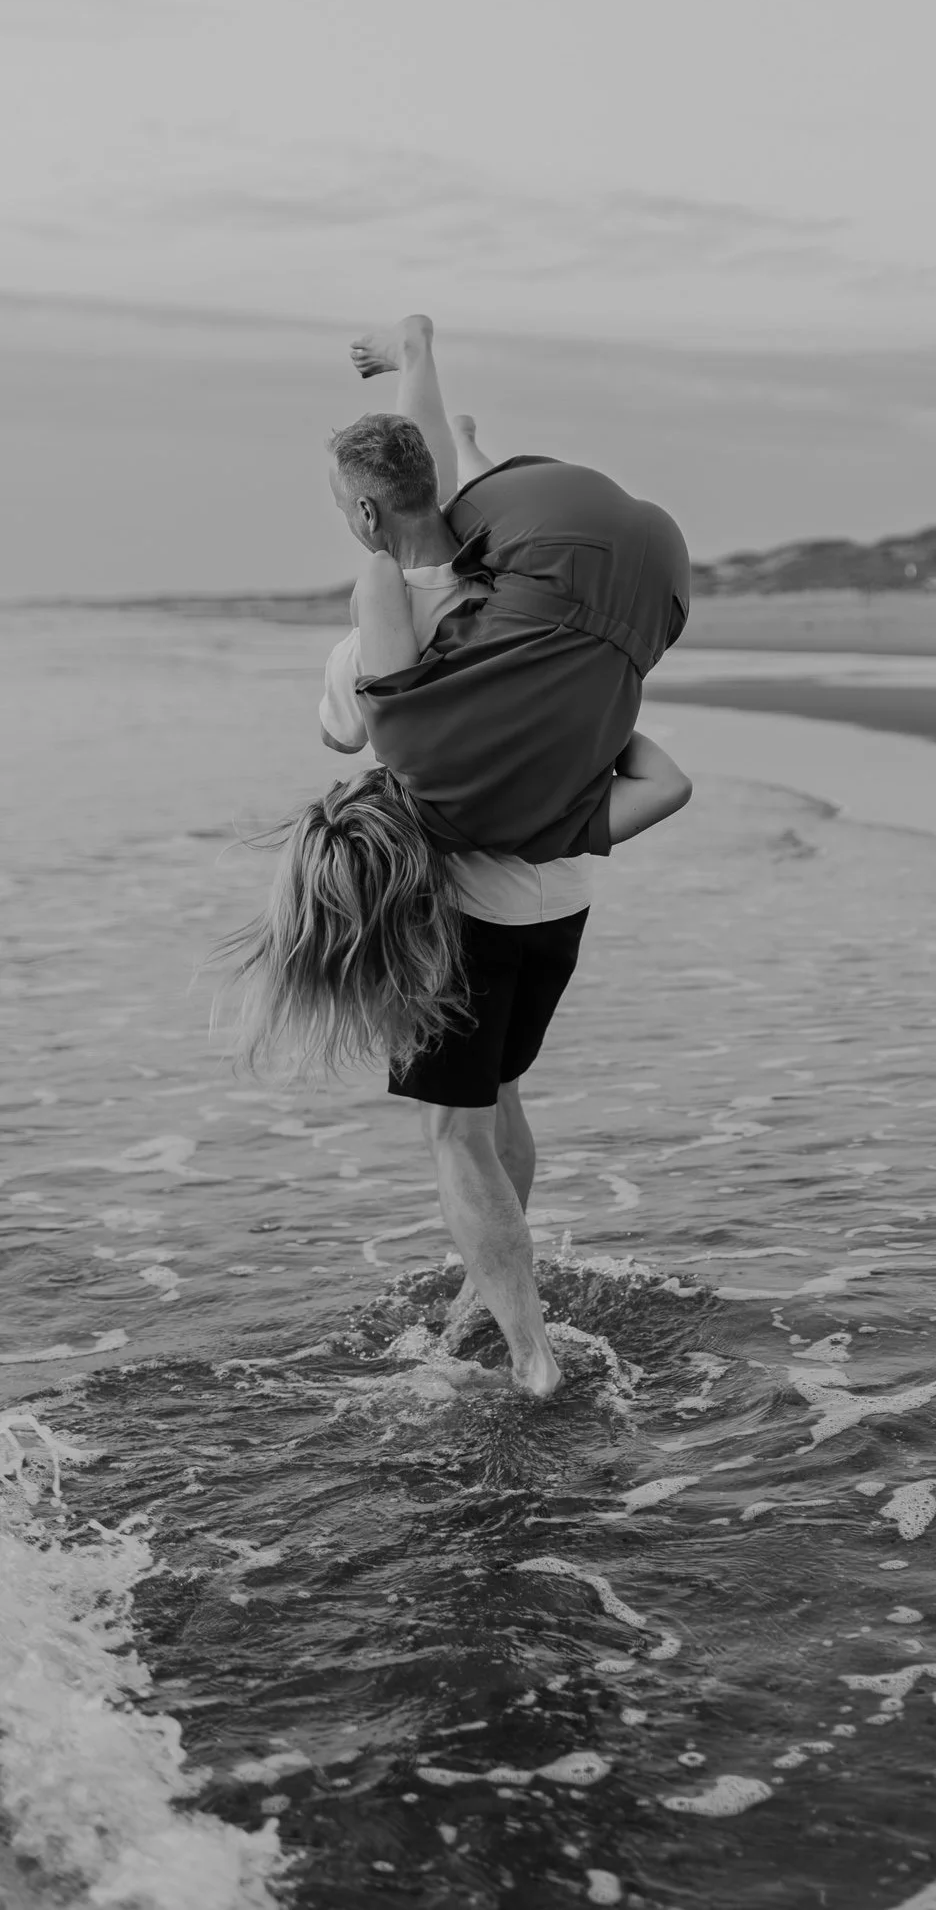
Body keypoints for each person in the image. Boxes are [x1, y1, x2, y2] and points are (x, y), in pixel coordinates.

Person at [231, 318, 691, 1398]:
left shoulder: (379, 619)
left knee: (455, 1130)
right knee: (503, 1100)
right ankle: (491, 1296)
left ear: (361, 515)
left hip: (467, 922)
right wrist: (590, 718)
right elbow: (445, 458)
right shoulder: (518, 583)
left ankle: (531, 1354)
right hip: (561, 902)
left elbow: (346, 733)